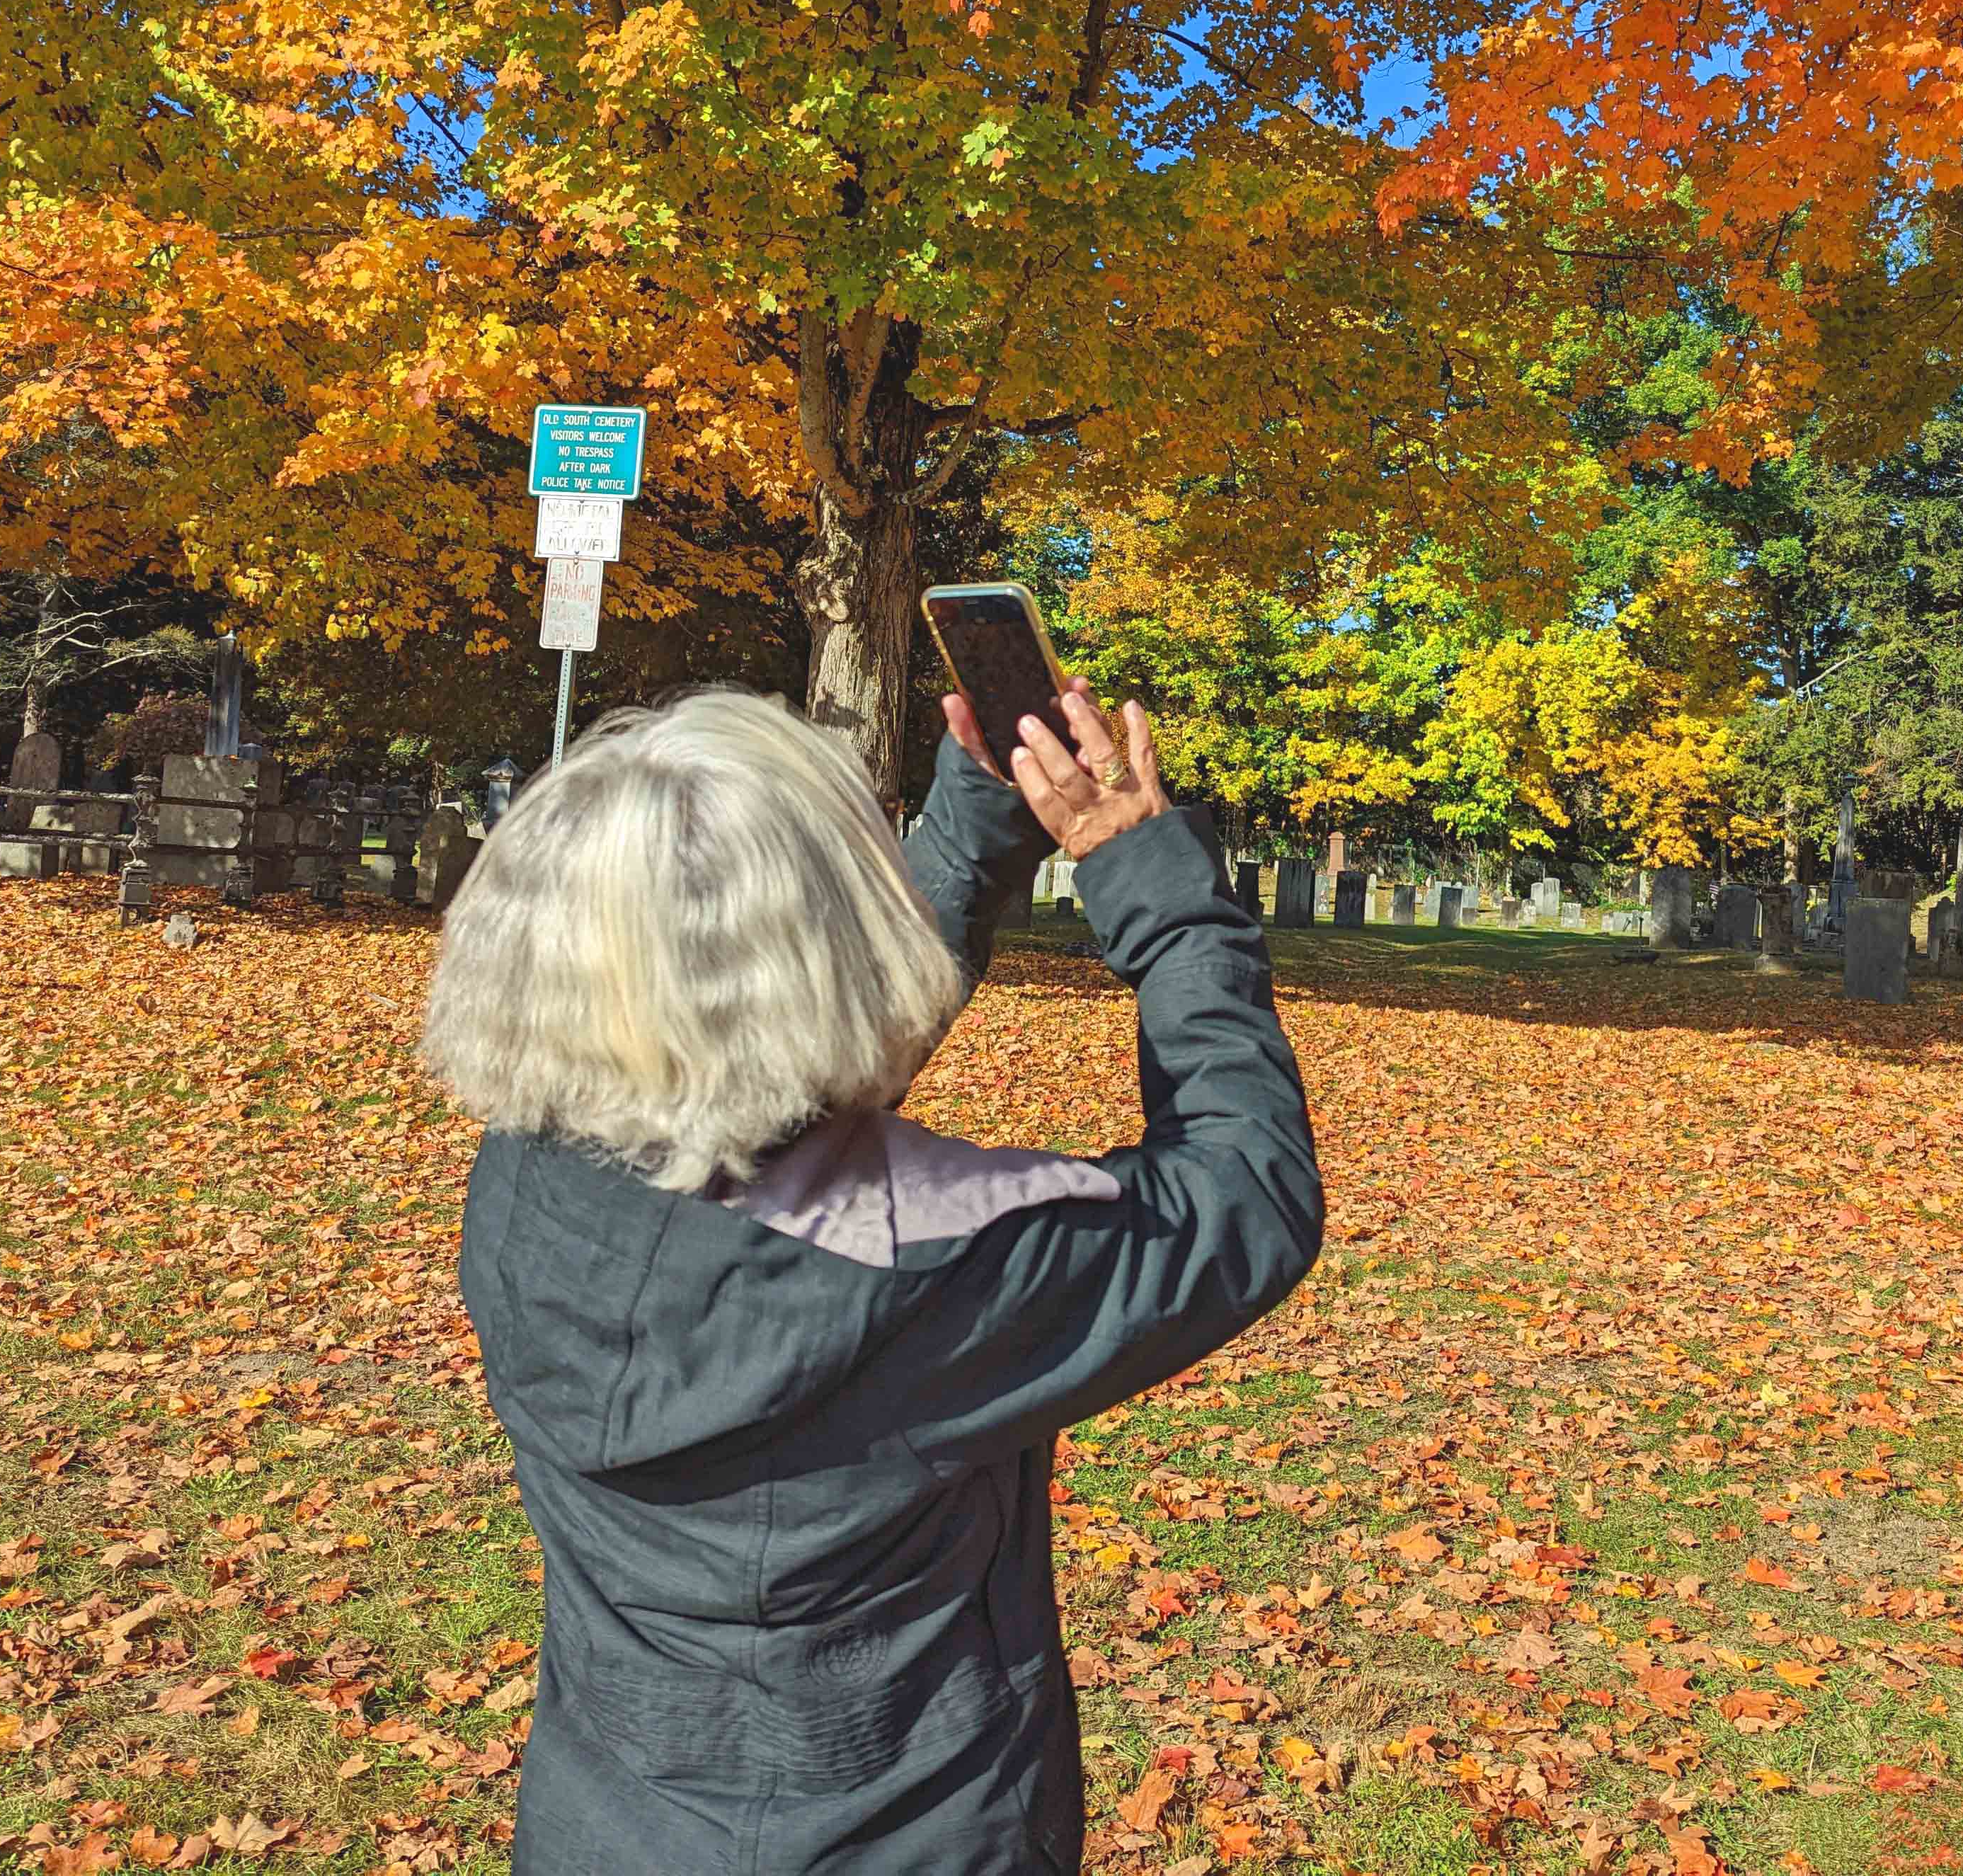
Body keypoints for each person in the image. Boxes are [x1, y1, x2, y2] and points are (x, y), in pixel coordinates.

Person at [422, 682, 1319, 1875]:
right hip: (911, 1837)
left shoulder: (525, 1175)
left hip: (609, 1825)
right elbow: (1245, 1197)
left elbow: (772, 1058)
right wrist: (1152, 881)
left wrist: (973, 816)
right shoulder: (930, 1266)